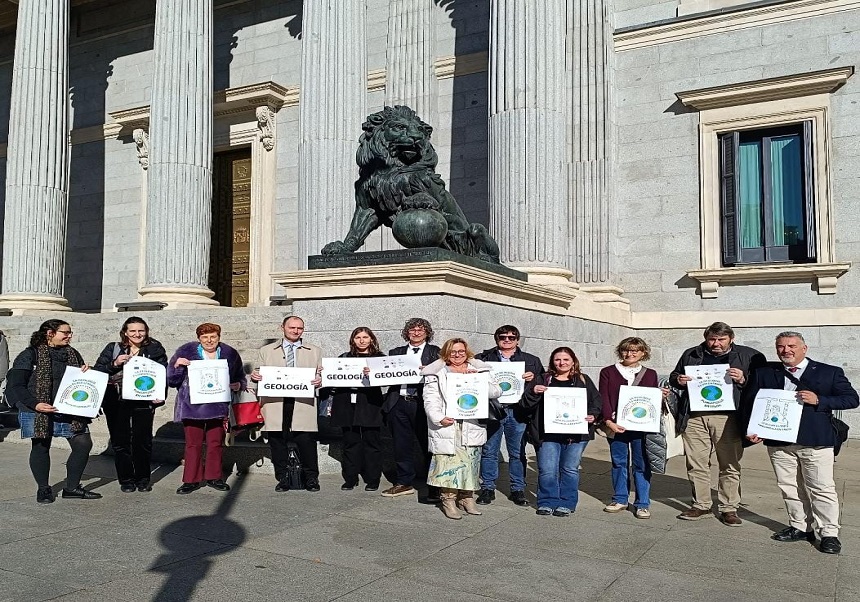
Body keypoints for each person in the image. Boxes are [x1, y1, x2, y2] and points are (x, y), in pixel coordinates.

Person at [745, 332, 858, 555]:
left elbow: (852, 399)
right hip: (778, 440)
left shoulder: (829, 372)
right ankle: (800, 527)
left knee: (822, 488)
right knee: (789, 486)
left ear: (804, 348)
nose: (786, 350)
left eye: (791, 346)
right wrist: (752, 431)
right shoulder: (765, 373)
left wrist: (820, 400)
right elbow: (752, 403)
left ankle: (829, 533)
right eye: (781, 346)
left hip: (815, 440)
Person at [669, 321, 766, 526]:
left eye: (721, 339)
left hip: (728, 417)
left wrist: (743, 379)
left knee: (729, 464)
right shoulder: (692, 354)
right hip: (695, 416)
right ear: (706, 338)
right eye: (712, 339)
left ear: (731, 338)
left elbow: (761, 385)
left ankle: (729, 508)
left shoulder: (748, 355)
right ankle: (701, 505)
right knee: (696, 463)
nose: (716, 344)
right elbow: (674, 376)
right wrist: (679, 380)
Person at [4, 320, 102, 503]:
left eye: (70, 332)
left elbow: (78, 380)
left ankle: (72, 487)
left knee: (83, 443)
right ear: (50, 333)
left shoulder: (72, 353)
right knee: (41, 446)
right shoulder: (29, 354)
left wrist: (86, 371)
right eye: (65, 333)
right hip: (38, 408)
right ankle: (43, 489)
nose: (69, 336)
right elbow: (16, 384)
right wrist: (35, 404)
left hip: (68, 409)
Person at [422, 338, 503, 519]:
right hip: (448, 424)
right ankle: (448, 500)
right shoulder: (437, 373)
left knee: (470, 463)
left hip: (471, 424)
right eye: (453, 352)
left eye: (461, 351)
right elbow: (431, 398)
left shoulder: (480, 369)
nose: (457, 355)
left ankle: (467, 498)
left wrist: (477, 380)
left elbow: (497, 391)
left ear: (467, 352)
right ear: (446, 353)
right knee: (448, 463)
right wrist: (438, 418)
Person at [520, 347, 601, 517]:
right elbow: (525, 404)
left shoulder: (583, 380)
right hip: (547, 433)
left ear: (573, 361)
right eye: (558, 359)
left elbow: (596, 402)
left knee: (570, 469)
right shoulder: (543, 379)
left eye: (565, 359)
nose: (561, 363)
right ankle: (547, 501)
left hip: (576, 433)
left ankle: (567, 502)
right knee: (547, 469)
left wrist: (593, 415)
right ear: (552, 361)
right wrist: (534, 392)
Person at [168, 323, 245, 495]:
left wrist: (239, 384)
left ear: (219, 337)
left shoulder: (229, 353)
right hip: (192, 406)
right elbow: (172, 380)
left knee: (215, 443)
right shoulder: (186, 351)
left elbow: (239, 375)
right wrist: (177, 366)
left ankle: (214, 477)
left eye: (213, 337)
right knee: (192, 444)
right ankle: (190, 480)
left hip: (218, 406)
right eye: (205, 337)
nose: (209, 341)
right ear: (199, 338)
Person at [94, 317, 168, 493]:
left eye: (141, 330)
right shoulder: (113, 348)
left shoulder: (154, 348)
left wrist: (160, 395)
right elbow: (98, 370)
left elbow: (162, 372)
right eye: (133, 331)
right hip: (116, 400)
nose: (137, 334)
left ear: (146, 331)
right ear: (125, 332)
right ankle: (126, 479)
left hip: (143, 398)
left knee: (142, 440)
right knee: (120, 441)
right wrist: (115, 363)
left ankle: (143, 479)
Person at [250, 315, 323, 492]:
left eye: (299, 328)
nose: (296, 331)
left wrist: (320, 380)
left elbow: (322, 373)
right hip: (275, 401)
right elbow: (258, 371)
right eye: (292, 328)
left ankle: (311, 477)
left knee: (306, 440)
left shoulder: (315, 350)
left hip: (302, 401)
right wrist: (255, 376)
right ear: (282, 327)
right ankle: (282, 477)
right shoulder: (267, 350)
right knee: (277, 440)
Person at [474, 324, 543, 506]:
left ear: (517, 340)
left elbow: (543, 382)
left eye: (511, 337)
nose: (506, 340)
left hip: (517, 411)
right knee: (489, 451)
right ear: (496, 339)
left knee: (517, 452)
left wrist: (533, 377)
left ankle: (517, 489)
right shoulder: (482, 358)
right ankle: (487, 488)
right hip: (493, 410)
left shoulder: (531, 360)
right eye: (502, 337)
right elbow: (471, 378)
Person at [599, 337, 662, 519]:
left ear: (643, 353)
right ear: (621, 351)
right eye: (627, 350)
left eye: (635, 350)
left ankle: (642, 502)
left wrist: (661, 396)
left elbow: (650, 400)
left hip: (641, 427)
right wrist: (608, 421)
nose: (630, 353)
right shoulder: (608, 372)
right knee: (619, 462)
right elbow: (604, 397)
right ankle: (620, 498)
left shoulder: (650, 374)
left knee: (641, 464)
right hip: (616, 425)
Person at [380, 318, 441, 500]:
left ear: (427, 333)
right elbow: (384, 374)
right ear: (407, 333)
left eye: (420, 330)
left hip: (424, 403)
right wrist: (373, 372)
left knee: (429, 444)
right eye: (412, 330)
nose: (416, 333)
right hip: (399, 402)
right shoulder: (396, 352)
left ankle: (434, 484)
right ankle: (404, 481)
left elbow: (445, 374)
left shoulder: (435, 353)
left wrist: (429, 371)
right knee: (401, 445)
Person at [327, 327, 385, 491]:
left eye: (365, 337)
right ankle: (350, 478)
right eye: (358, 337)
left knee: (372, 442)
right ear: (352, 340)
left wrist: (374, 373)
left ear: (371, 339)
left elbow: (389, 378)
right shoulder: (344, 358)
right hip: (346, 403)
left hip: (370, 404)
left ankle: (373, 479)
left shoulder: (380, 358)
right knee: (350, 443)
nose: (362, 340)